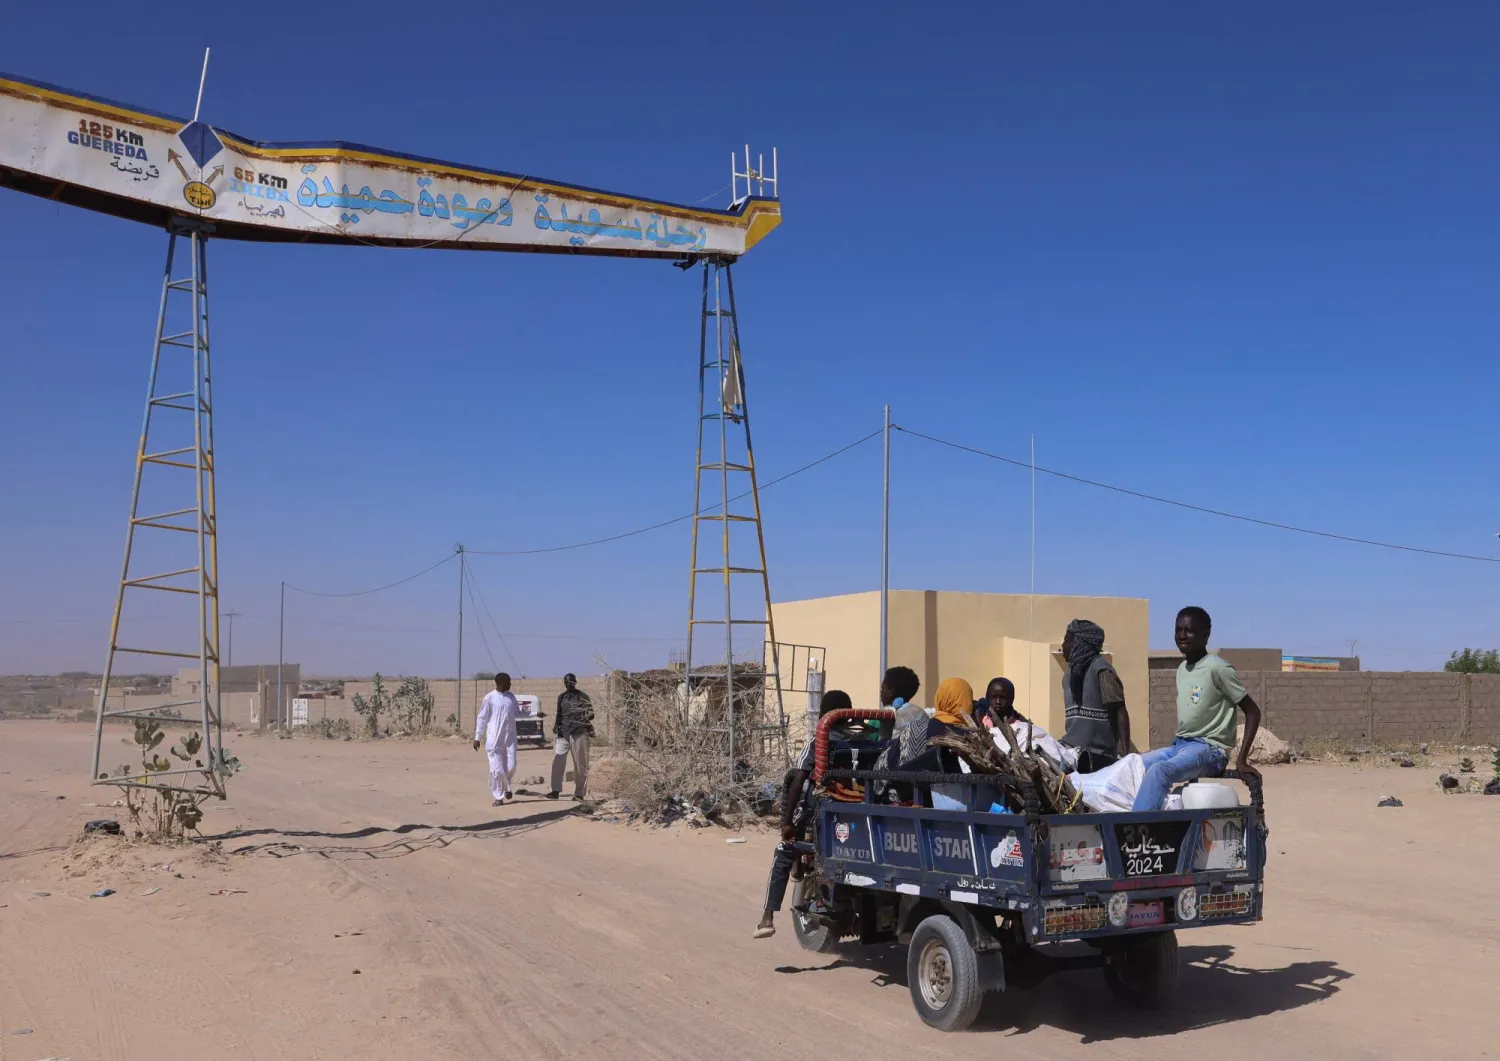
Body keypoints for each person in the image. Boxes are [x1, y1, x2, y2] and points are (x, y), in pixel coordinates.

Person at [1132, 606, 1262, 811]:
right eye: (1178, 630)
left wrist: (1242, 759)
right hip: (1180, 745)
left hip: (1210, 750)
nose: (1182, 636)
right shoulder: (1182, 668)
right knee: (1131, 766)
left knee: (1159, 771)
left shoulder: (1217, 667)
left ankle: (1132, 834)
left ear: (1206, 635)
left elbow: (1252, 710)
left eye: (1189, 631)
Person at [754, 689, 854, 939]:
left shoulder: (818, 741)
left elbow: (798, 781)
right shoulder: (862, 741)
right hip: (853, 811)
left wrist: (786, 822)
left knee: (783, 849)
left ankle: (767, 918)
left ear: (823, 715)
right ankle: (801, 867)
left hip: (821, 813)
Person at [1059, 619, 1131, 773]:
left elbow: (1120, 711)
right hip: (1071, 750)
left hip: (1096, 757)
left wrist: (1126, 758)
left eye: (1066, 641)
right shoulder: (1068, 677)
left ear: (1078, 644)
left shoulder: (1102, 671)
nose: (1063, 646)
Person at [473, 672, 520, 806]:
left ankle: (506, 787)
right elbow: (482, 718)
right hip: (494, 740)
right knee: (497, 770)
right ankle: (499, 796)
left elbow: (518, 712)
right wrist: (477, 736)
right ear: (501, 683)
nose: (510, 684)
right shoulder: (489, 698)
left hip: (510, 738)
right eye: (509, 681)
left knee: (512, 766)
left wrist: (535, 713)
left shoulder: (511, 697)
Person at [549, 673, 594, 801]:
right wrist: (556, 725)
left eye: (571, 681)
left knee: (580, 764)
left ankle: (579, 793)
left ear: (575, 682)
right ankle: (555, 791)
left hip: (579, 732)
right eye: (566, 681)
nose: (568, 683)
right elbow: (559, 714)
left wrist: (584, 718)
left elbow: (591, 714)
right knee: (557, 762)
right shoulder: (561, 697)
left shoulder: (582, 696)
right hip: (563, 733)